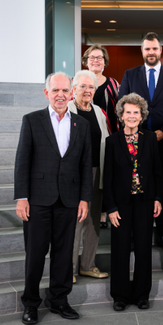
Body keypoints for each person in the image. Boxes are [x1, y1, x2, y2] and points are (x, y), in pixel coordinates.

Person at [14, 72, 93, 325]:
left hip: (69, 200)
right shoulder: (32, 120)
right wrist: (22, 197)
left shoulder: (82, 125)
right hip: (37, 200)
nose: (60, 95)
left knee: (63, 253)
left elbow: (85, 165)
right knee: (35, 254)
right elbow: (22, 161)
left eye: (65, 90)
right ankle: (31, 303)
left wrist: (84, 199)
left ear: (71, 94)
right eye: (55, 90)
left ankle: (59, 299)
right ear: (47, 93)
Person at [119, 32, 163, 252]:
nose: (151, 52)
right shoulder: (130, 75)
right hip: (134, 142)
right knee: (133, 189)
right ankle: (132, 236)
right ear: (142, 51)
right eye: (147, 49)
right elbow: (122, 107)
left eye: (154, 49)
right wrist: (134, 131)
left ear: (160, 51)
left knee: (162, 189)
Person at [103, 93, 163, 312]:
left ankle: (141, 295)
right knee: (119, 249)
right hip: (121, 204)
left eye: (136, 112)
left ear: (142, 115)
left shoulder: (149, 139)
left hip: (144, 202)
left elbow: (158, 172)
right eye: (127, 112)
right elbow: (107, 177)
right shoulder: (111, 142)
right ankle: (119, 295)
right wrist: (110, 207)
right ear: (121, 115)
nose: (131, 116)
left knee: (143, 248)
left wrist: (157, 198)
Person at [67, 70, 110, 283]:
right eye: (82, 86)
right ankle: (70, 268)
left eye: (91, 87)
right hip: (75, 174)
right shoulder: (67, 110)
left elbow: (106, 141)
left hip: (97, 171)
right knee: (76, 221)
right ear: (73, 88)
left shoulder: (100, 112)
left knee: (93, 221)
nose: (87, 90)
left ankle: (88, 265)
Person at [82, 44, 120, 134]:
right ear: (86, 61)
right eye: (91, 57)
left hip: (110, 134)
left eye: (99, 58)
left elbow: (121, 109)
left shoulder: (113, 84)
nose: (95, 60)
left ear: (104, 61)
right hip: (83, 134)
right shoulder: (76, 83)